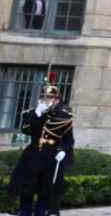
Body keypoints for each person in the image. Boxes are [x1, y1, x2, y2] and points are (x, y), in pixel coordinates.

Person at [7, 76, 73, 216]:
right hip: (33, 155)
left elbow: (69, 140)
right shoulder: (33, 113)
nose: (48, 100)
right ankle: (24, 212)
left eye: (51, 98)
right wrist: (38, 114)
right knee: (26, 188)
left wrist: (63, 151)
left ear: (57, 100)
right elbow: (27, 130)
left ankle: (41, 213)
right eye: (46, 97)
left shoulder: (63, 116)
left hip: (52, 157)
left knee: (46, 190)